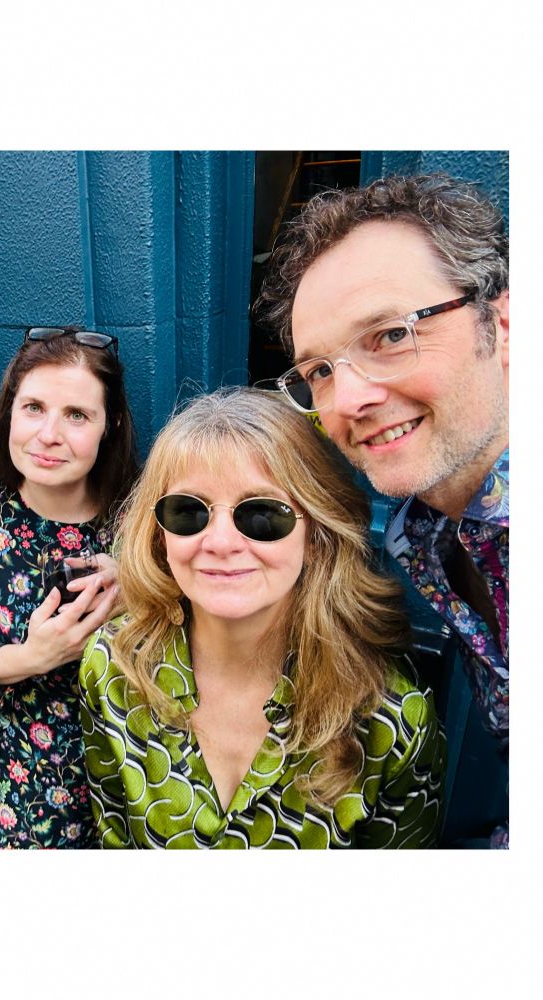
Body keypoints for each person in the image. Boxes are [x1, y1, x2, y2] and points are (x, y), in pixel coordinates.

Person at [255, 173, 509, 847]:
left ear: (505, 322)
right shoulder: (420, 535)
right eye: (319, 372)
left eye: (390, 335)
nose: (347, 400)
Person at [80, 388, 446, 849]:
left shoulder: (390, 721)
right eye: (188, 511)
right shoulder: (112, 669)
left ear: (316, 535)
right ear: (160, 537)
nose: (220, 542)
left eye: (261, 514)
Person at [0, 326, 138, 848]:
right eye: (33, 408)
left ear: (109, 425)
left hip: (136, 772)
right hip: (26, 779)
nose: (49, 434)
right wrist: (38, 654)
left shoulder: (142, 519)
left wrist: (141, 583)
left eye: (77, 415)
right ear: (9, 412)